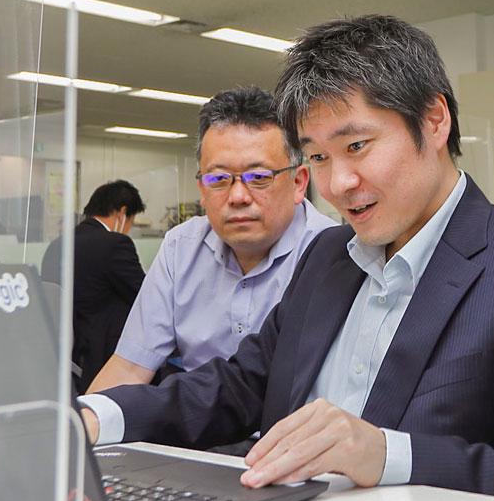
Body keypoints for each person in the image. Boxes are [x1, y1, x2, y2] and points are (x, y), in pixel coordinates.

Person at [79, 15, 494, 501]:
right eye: (318, 156)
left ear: (434, 120)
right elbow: (241, 384)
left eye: (358, 146)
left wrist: (388, 454)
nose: (337, 184)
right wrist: (97, 417)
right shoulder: (327, 257)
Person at [86, 87, 336, 393]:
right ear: (202, 191)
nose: (238, 196)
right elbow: (129, 366)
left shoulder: (334, 253)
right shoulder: (181, 248)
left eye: (259, 177)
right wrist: (82, 420)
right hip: (195, 418)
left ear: (298, 183)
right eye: (218, 179)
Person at [42, 179, 147, 388]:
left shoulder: (56, 245)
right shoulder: (115, 244)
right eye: (131, 221)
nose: (128, 229)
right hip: (104, 361)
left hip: (66, 360)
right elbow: (145, 297)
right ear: (122, 213)